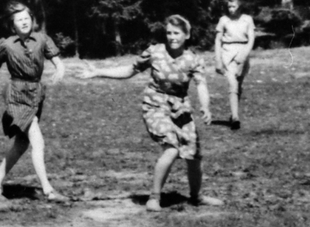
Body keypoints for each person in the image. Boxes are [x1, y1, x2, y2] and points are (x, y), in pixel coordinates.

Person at [78, 14, 221, 212]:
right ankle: (154, 198)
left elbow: (201, 85)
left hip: (181, 109)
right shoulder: (154, 52)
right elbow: (130, 70)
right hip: (155, 106)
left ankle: (197, 197)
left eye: (177, 33)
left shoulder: (193, 59)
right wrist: (98, 72)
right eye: (169, 33)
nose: (172, 37)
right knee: (171, 147)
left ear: (187, 35)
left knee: (193, 155)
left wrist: (205, 107)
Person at [0, 2, 68, 203]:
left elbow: (58, 62)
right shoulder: (6, 45)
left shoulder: (42, 39)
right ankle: (48, 191)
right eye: (19, 20)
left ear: (32, 21)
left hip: (35, 95)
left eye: (26, 19)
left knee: (21, 143)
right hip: (16, 95)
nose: (24, 22)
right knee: (37, 140)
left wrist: (59, 71)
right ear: (12, 25)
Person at [214, 0, 255, 130]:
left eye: (234, 6)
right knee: (232, 84)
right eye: (229, 7)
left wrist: (244, 56)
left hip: (243, 51)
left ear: (240, 6)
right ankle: (235, 117)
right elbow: (218, 40)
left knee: (239, 84)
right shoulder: (223, 20)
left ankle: (234, 113)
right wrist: (218, 60)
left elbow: (251, 39)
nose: (231, 9)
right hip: (227, 53)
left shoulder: (247, 20)